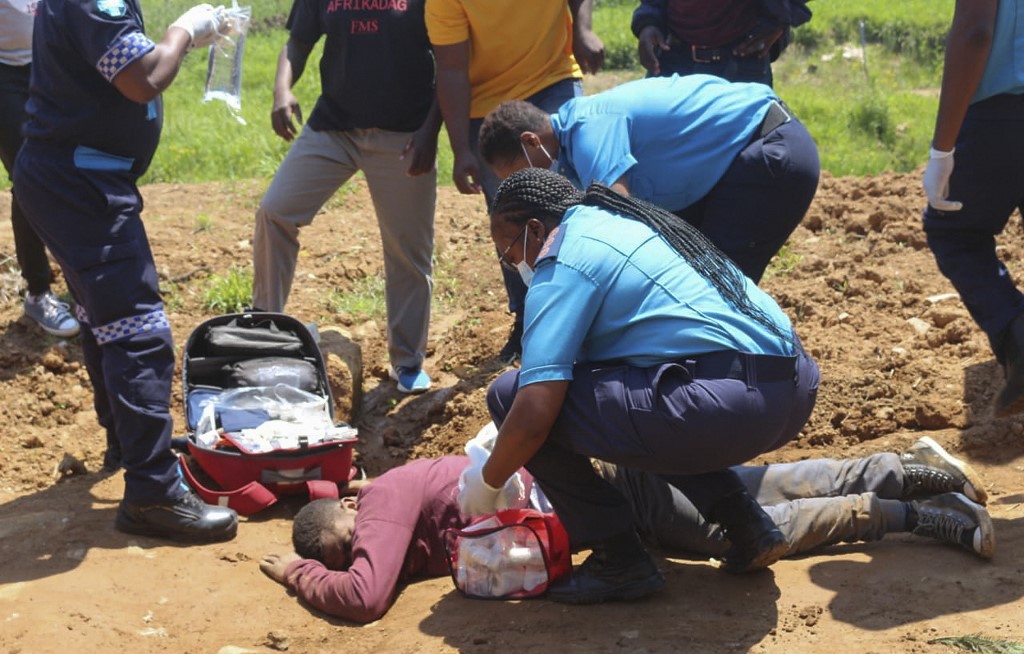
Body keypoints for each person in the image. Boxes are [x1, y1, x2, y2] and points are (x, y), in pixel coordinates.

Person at [455, 167, 819, 605]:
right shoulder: (618, 225)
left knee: (509, 394)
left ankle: (618, 556)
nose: (515, 266)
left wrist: (489, 479)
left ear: (535, 229)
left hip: (728, 406)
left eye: (510, 253)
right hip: (791, 388)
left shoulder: (564, 256)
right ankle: (747, 525)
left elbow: (533, 414)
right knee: (629, 398)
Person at [259, 438, 993, 622]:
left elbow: (362, 596)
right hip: (611, 466)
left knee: (740, 532)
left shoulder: (380, 504)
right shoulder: (393, 498)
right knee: (749, 486)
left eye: (347, 547)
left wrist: (297, 573)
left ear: (348, 522)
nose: (363, 555)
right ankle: (902, 469)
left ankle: (910, 511)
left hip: (602, 491)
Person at [13, 1, 238, 542]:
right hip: (81, 184)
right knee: (138, 331)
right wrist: (184, 30)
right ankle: (152, 494)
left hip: (73, 176)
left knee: (103, 318)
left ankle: (130, 443)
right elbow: (142, 80)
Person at [251, 0, 440, 395]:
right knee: (276, 212)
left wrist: (429, 131)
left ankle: (407, 361)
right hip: (333, 128)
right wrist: (282, 91)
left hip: (402, 136)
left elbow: (453, 57)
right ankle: (265, 330)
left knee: (408, 249)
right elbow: (298, 42)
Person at [478, 74, 820, 283]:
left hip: (766, 153)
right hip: (735, 166)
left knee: (715, 285)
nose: (527, 186)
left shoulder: (588, 128)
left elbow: (616, 219)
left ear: (530, 142)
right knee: (688, 270)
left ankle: (739, 380)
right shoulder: (572, 148)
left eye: (521, 174)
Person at [425, 0, 604, 361]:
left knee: (569, 200)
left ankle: (591, 310)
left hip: (553, 78)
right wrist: (462, 149)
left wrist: (582, 29)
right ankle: (529, 317)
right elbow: (452, 68)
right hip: (487, 102)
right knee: (510, 215)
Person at [921, 0, 1024, 417]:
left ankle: (1017, 332)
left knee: (955, 232)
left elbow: (976, 32)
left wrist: (941, 149)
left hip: (1002, 116)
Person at [0, 0, 79, 338]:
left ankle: (84, 281)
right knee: (30, 177)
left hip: (49, 66)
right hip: (5, 76)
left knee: (71, 169)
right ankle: (38, 292)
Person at [631, 0, 812, 86]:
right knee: (665, 151)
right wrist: (648, 21)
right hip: (672, 58)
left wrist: (780, 20)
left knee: (741, 155)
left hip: (741, 63)